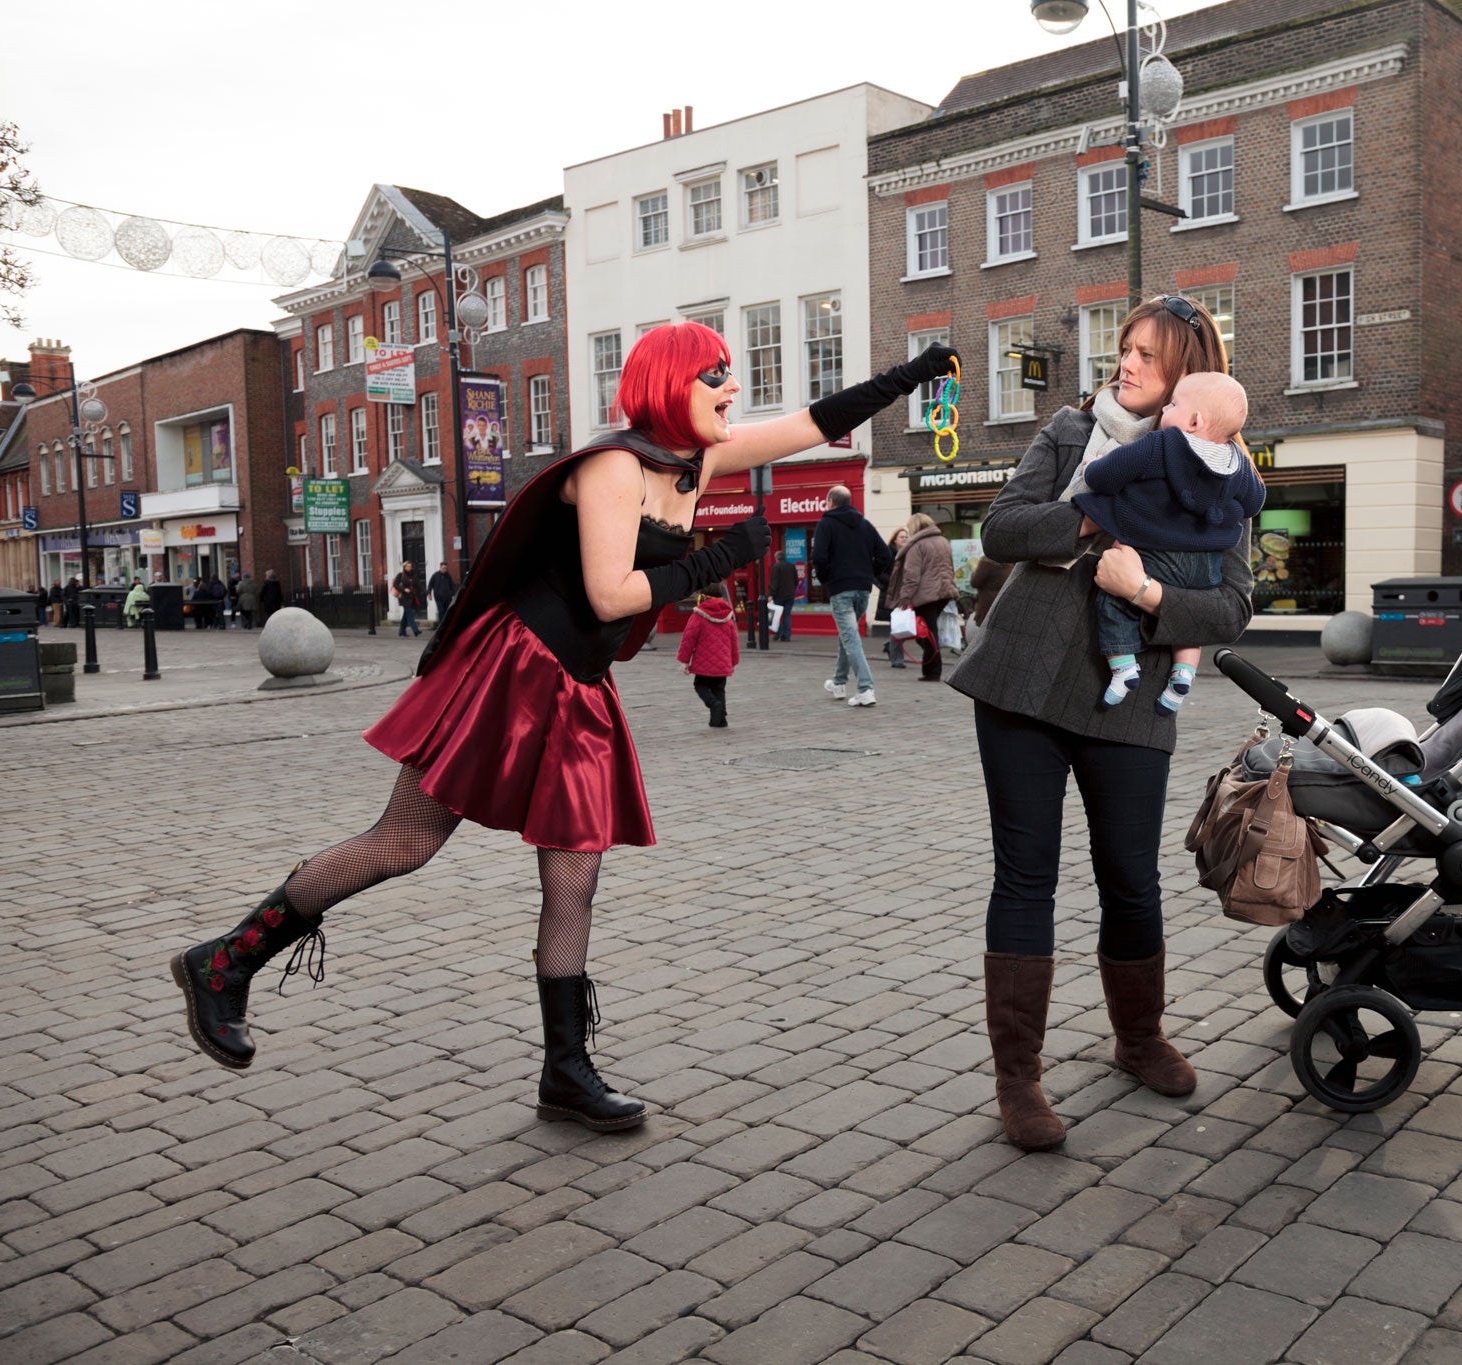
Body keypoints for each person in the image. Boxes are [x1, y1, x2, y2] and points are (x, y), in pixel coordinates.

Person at [168, 322, 956, 1131]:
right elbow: (611, 594)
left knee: (575, 875)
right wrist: (721, 558)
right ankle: (225, 960)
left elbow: (811, 424)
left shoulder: (696, 461)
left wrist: (911, 373)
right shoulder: (616, 465)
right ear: (669, 383)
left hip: (578, 684)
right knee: (405, 841)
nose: (733, 389)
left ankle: (566, 1072)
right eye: (716, 374)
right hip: (515, 669)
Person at [951, 293, 1253, 1150]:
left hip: (1131, 695)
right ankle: (1019, 1079)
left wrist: (1148, 592)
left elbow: (1231, 605)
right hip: (1022, 683)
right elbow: (1003, 529)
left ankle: (1139, 1037)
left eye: (1147, 357)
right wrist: (1094, 515)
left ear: (1188, 376)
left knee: (1130, 877)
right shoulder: (1069, 433)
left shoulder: (1222, 467)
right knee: (1025, 876)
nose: (1125, 366)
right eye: (1125, 350)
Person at [1068, 371, 1263, 715]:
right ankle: (1182, 675)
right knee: (1188, 620)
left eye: (1172, 404)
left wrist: (1094, 466)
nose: (1165, 410)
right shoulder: (1240, 463)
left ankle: (1123, 667)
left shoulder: (1161, 444)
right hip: (1207, 566)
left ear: (1194, 420)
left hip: (1155, 553)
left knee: (1113, 602)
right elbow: (1253, 502)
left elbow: (1108, 476)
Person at [811, 484, 892, 707]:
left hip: (841, 590)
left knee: (851, 639)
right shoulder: (864, 525)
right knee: (848, 635)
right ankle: (838, 682)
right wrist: (869, 573)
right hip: (863, 590)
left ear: (830, 502)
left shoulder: (826, 524)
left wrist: (828, 579)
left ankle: (866, 689)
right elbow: (885, 556)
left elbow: (818, 557)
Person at [887, 513, 958, 682]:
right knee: (930, 632)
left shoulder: (916, 546)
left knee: (928, 634)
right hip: (944, 593)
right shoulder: (943, 541)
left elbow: (911, 576)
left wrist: (904, 598)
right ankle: (931, 669)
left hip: (926, 595)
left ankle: (932, 671)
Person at [676, 583, 740, 727]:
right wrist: (733, 661)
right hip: (723, 662)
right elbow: (734, 640)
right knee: (719, 689)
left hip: (703, 663)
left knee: (700, 685)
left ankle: (713, 704)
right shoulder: (727, 614)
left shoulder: (698, 614)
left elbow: (688, 639)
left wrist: (684, 661)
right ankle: (720, 720)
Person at [879, 527, 911, 669]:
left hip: (905, 594)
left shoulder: (910, 553)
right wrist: (891, 583)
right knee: (898, 626)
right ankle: (897, 659)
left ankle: (889, 646)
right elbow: (878, 573)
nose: (904, 539)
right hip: (891, 595)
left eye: (906, 537)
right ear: (895, 540)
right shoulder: (888, 554)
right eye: (901, 537)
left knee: (905, 625)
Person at [970, 555, 1008, 629]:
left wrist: (974, 571)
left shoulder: (987, 560)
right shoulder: (1010, 560)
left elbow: (975, 582)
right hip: (1004, 604)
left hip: (988, 605)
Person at [767, 555, 797, 643]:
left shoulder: (775, 567)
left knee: (775, 616)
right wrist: (792, 590)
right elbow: (796, 581)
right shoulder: (792, 566)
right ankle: (787, 636)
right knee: (787, 615)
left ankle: (781, 632)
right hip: (790, 595)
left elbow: (774, 582)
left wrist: (771, 594)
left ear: (776, 558)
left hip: (779, 595)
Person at [392, 561, 424, 638]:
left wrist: (425, 592)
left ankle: (401, 631)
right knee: (409, 613)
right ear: (404, 567)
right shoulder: (401, 575)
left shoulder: (414, 575)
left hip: (411, 597)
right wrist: (404, 589)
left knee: (405, 615)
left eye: (410, 566)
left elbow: (419, 585)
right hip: (404, 597)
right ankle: (415, 630)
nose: (409, 568)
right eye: (407, 566)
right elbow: (395, 584)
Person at [428, 562, 457, 628]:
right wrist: (429, 593)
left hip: (447, 597)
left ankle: (446, 626)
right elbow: (430, 585)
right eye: (443, 568)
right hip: (438, 597)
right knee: (441, 611)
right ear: (440, 567)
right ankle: (440, 626)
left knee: (447, 611)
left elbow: (452, 585)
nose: (445, 570)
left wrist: (453, 593)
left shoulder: (448, 576)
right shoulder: (435, 575)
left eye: (446, 568)